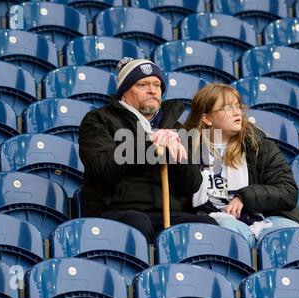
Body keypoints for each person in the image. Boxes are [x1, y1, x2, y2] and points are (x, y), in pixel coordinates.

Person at [78, 58, 218, 243]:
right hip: (116, 210)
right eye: (142, 84)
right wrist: (148, 141)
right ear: (124, 93)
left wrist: (181, 156)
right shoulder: (99, 119)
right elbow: (101, 167)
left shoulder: (175, 128)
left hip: (166, 213)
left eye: (157, 85)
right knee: (138, 223)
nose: (152, 90)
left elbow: (190, 186)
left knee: (207, 226)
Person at [184, 83, 299, 248]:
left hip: (262, 218)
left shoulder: (259, 146)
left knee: (291, 233)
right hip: (215, 220)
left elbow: (288, 192)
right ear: (207, 118)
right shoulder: (188, 150)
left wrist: (244, 197)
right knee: (230, 233)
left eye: (238, 106)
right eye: (227, 107)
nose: (237, 111)